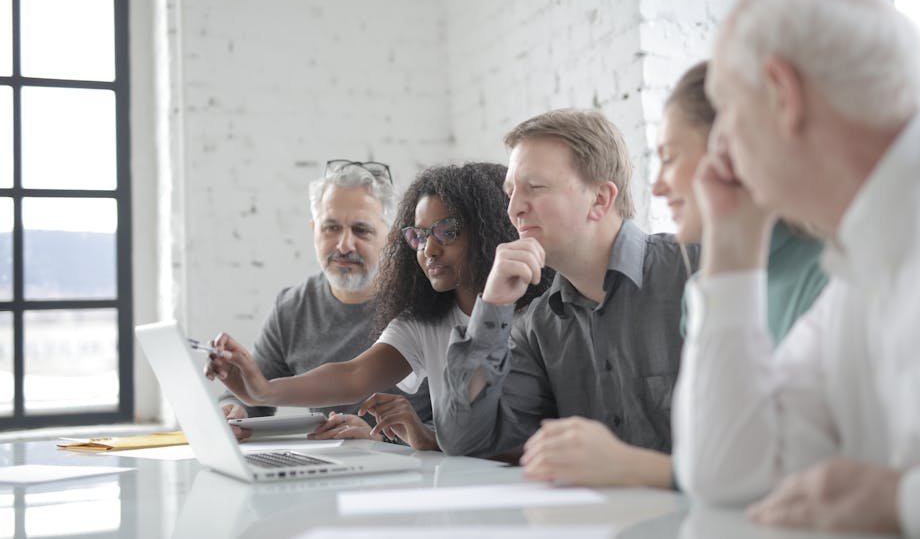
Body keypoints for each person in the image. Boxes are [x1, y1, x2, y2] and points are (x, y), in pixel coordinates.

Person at [672, 0, 920, 537]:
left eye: (729, 109)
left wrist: (906, 501)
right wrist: (733, 239)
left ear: (782, 95)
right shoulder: (857, 272)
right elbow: (729, 474)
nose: (723, 147)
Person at [519, 62, 829, 487]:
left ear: (733, 152)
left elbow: (790, 473)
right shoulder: (706, 287)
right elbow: (720, 458)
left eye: (669, 158)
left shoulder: (829, 274)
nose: (658, 186)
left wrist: (625, 466)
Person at [207, 162, 550, 450]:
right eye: (419, 236)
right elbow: (354, 374)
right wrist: (259, 392)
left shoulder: (536, 314)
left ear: (488, 231)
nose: (428, 250)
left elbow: (522, 436)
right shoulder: (423, 320)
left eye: (447, 231)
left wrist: (428, 438)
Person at [435, 109, 695, 462]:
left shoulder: (696, 270)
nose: (513, 210)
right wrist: (493, 305)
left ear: (600, 199)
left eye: (535, 187)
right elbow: (464, 440)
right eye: (510, 192)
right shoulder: (537, 327)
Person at [218, 159, 431, 441]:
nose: (344, 245)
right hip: (325, 470)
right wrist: (233, 411)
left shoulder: (425, 303)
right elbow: (255, 395)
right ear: (314, 230)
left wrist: (383, 438)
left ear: (391, 238)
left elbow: (461, 427)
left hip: (417, 474)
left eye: (361, 230)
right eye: (331, 228)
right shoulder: (292, 309)